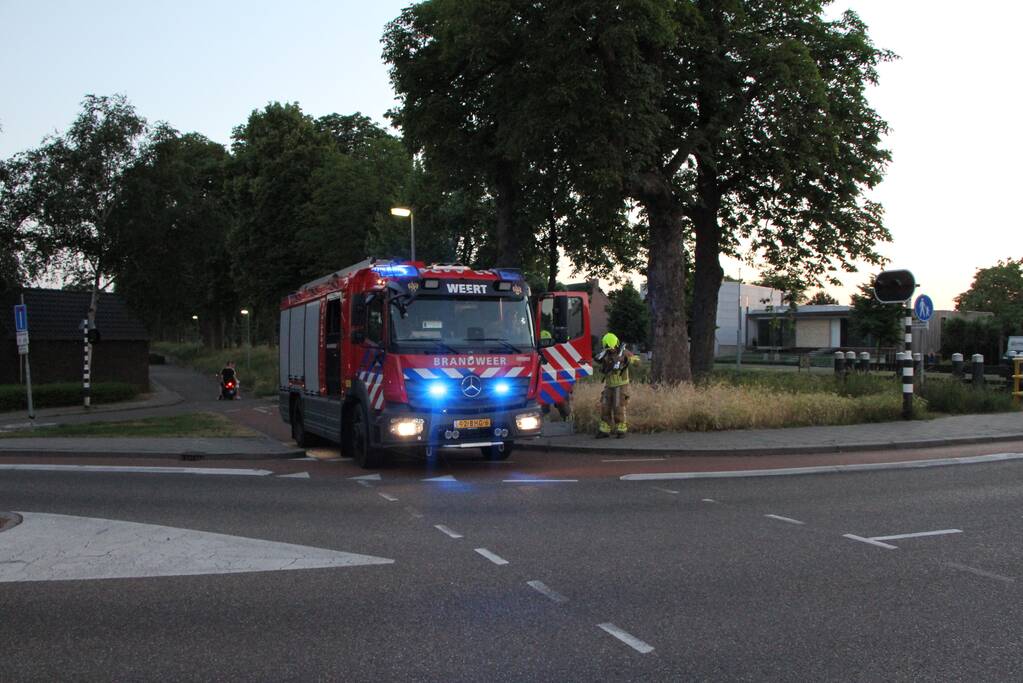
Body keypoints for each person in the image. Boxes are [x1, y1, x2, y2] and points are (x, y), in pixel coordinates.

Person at [595, 332, 638, 438]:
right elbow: (598, 360)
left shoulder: (624, 352)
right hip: (609, 386)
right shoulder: (605, 354)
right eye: (609, 348)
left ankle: (621, 429)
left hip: (621, 385)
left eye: (612, 348)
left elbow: (638, 363)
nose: (611, 350)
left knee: (618, 407)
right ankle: (604, 430)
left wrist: (626, 359)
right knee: (605, 406)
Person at [539, 330, 571, 421]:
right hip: (547, 385)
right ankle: (565, 420)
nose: (545, 346)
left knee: (562, 405)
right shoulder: (539, 354)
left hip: (557, 383)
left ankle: (567, 419)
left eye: (547, 343)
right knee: (545, 407)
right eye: (543, 343)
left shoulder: (559, 353)